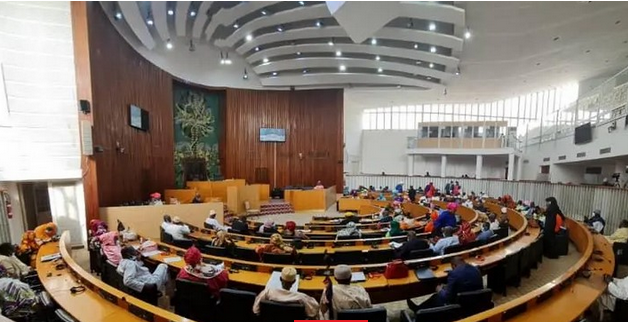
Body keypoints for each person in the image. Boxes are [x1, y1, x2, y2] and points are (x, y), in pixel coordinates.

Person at [408, 256, 483, 311]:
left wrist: (439, 289)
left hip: (459, 304)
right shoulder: (476, 269)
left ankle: (418, 310)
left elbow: (447, 297)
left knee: (436, 297)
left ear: (454, 265)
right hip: (476, 302)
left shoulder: (454, 273)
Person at [252, 267, 319, 318]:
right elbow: (313, 312)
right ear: (294, 281)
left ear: (280, 279)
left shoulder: (268, 292)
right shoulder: (301, 298)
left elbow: (255, 310)